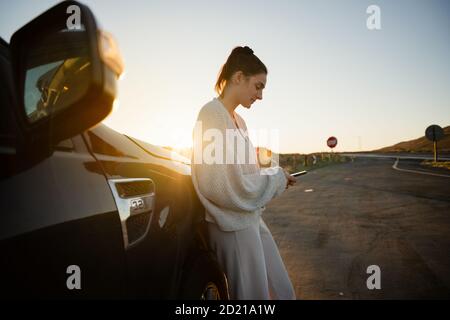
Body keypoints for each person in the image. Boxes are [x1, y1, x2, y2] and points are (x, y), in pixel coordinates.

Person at [191, 46, 297, 300]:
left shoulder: (240, 121)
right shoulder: (211, 114)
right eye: (258, 86)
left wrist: (276, 175)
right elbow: (219, 185)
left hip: (249, 217)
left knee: (282, 291)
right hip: (230, 225)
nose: (260, 96)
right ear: (238, 77)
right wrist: (275, 180)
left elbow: (246, 173)